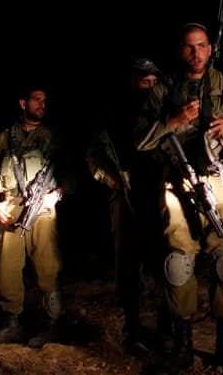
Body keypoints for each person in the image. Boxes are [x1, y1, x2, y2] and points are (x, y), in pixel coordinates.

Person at [135, 23, 223, 375]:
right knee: (179, 264)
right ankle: (183, 347)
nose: (197, 53)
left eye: (202, 46)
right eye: (190, 47)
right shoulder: (163, 89)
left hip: (222, 183)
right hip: (178, 184)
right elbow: (140, 140)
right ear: (181, 51)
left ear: (211, 49)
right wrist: (174, 120)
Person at [85, 58, 168, 353]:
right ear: (133, 82)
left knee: (166, 263)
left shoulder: (166, 113)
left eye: (154, 81)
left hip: (162, 196)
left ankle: (167, 329)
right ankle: (131, 329)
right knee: (128, 265)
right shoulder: (116, 115)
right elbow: (94, 155)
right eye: (144, 80)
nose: (150, 86)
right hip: (127, 196)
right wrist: (110, 180)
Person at [0, 85, 68, 348]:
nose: (42, 104)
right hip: (11, 206)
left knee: (47, 265)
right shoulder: (5, 137)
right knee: (7, 268)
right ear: (23, 103)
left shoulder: (52, 136)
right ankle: (12, 324)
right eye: (37, 100)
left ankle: (50, 324)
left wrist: (56, 195)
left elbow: (69, 175)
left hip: (42, 209)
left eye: (45, 100)